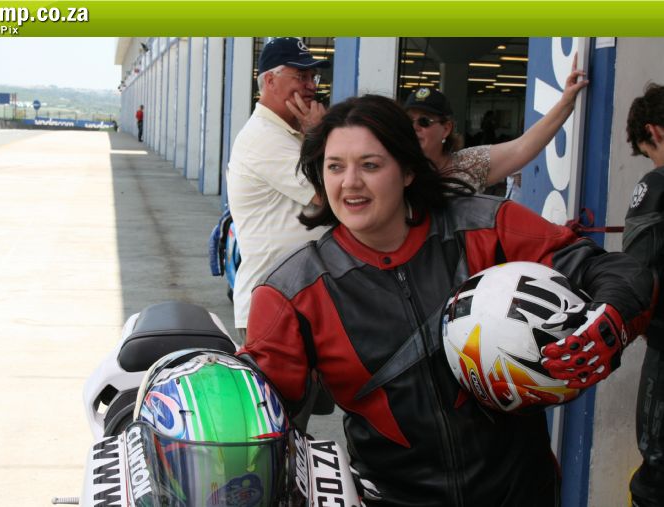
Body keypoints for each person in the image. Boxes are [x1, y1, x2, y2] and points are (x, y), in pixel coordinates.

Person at [239, 94, 653, 506]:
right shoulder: (292, 292)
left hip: (522, 492)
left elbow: (617, 272)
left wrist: (612, 319)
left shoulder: (488, 226)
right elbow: (259, 418)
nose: (350, 182)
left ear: (407, 171)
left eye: (370, 165)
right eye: (334, 167)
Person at [226, 37, 330, 339]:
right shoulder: (264, 137)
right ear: (270, 81)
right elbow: (331, 194)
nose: (310, 86)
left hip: (295, 300)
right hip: (274, 308)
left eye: (313, 77)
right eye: (301, 76)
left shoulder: (290, 132)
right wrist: (320, 134)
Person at [403, 55, 588, 193]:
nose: (414, 127)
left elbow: (522, 148)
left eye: (424, 121)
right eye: (409, 121)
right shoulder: (397, 168)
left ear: (446, 129)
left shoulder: (470, 164)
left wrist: (566, 103)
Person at [624, 83, 664, 507]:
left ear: (654, 131)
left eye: (647, 151)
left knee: (655, 469)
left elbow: (635, 274)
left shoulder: (657, 183)